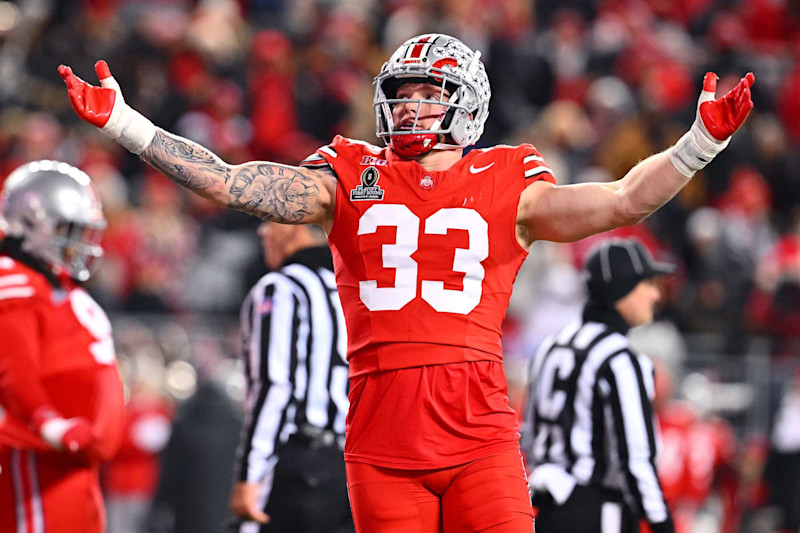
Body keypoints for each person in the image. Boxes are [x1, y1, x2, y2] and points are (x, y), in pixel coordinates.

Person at [59, 33, 754, 532]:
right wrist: (124, 121)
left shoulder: (509, 180)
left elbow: (624, 200)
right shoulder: (353, 172)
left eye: (430, 93)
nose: (413, 106)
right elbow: (235, 185)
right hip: (382, 440)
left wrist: (701, 141)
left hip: (478, 432)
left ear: (468, 103)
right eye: (403, 93)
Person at [0, 160, 125, 533]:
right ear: (30, 223)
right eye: (68, 230)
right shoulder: (13, 277)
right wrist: (48, 422)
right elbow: (13, 367)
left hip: (76, 466)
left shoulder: (56, 284)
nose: (79, 243)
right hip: (39, 465)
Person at [520, 239, 676, 533]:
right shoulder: (620, 358)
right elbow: (636, 460)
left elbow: (528, 436)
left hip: (544, 510)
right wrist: (662, 523)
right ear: (622, 289)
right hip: (599, 512)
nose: (655, 295)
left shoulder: (549, 347)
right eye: (646, 283)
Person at [229, 221, 351, 532]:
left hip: (299, 465)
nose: (262, 232)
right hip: (349, 471)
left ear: (294, 228)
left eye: (270, 220)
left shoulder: (281, 287)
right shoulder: (349, 290)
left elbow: (274, 385)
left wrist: (250, 474)